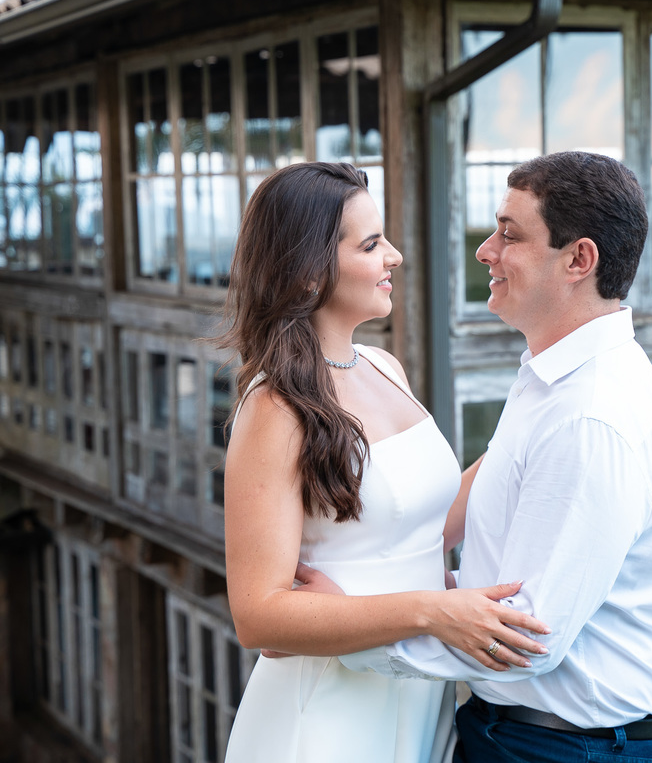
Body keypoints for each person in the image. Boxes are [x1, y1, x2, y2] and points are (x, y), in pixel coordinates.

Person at [338, 151, 652, 763]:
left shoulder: (590, 415)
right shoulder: (551, 379)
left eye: (510, 234)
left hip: (563, 750)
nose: (485, 251)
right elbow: (503, 572)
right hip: (528, 736)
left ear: (579, 260)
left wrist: (348, 632)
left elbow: (528, 638)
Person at [216, 161, 549, 763]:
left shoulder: (382, 366)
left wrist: (536, 426)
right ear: (309, 267)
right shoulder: (274, 407)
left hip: (417, 693)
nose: (394, 256)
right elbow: (258, 615)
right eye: (371, 244)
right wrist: (431, 610)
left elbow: (424, 524)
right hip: (329, 711)